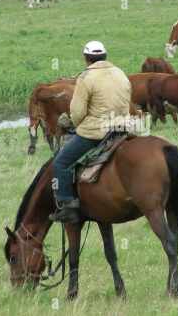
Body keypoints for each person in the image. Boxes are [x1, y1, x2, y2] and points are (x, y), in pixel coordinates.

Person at [49, 41, 132, 223]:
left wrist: (73, 123)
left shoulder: (86, 77)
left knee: (61, 163)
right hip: (123, 128)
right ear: (105, 56)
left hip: (97, 132)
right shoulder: (120, 73)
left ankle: (68, 207)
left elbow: (77, 113)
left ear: (86, 58)